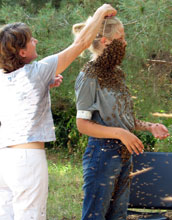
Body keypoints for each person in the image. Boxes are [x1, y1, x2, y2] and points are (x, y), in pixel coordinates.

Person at [0, 4, 117, 220]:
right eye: (30, 39)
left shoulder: (3, 77)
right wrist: (100, 13)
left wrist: (43, 86)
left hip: (4, 157)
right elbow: (80, 43)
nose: (35, 41)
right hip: (27, 159)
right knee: (30, 216)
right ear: (22, 52)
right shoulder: (38, 71)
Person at [73, 16, 169, 220]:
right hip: (101, 156)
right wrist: (120, 134)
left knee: (118, 216)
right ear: (106, 41)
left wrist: (150, 126)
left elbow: (122, 118)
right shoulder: (89, 76)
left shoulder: (117, 74)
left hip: (125, 156)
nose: (125, 42)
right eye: (121, 37)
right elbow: (82, 124)